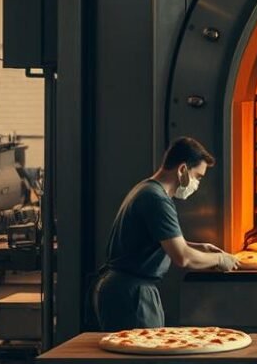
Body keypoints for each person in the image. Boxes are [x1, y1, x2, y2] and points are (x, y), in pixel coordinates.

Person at [93, 136, 240, 331]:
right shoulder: (157, 200)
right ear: (182, 170)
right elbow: (183, 258)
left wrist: (199, 247)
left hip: (121, 289)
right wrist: (220, 259)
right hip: (133, 294)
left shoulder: (146, 189)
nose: (197, 183)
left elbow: (162, 242)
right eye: (197, 176)